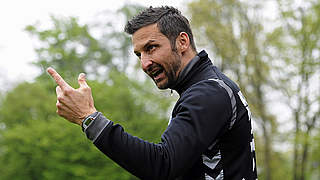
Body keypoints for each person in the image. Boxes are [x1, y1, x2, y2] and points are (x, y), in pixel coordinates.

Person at [47, 6, 258, 180]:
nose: (145, 63)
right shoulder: (209, 87)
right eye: (139, 54)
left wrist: (89, 119)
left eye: (152, 48)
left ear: (182, 42)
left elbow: (162, 165)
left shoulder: (208, 92)